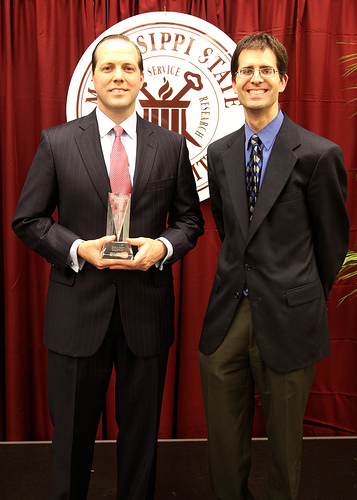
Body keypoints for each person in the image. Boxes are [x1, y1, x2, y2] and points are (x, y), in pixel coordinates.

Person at [12, 34, 204, 500]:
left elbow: (189, 221)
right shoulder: (57, 142)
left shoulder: (172, 145)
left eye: (128, 68)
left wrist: (162, 247)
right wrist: (78, 249)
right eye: (108, 68)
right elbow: (28, 219)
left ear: (142, 78)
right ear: (92, 80)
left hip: (146, 314)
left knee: (140, 443)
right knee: (72, 442)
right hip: (77, 312)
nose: (118, 76)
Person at [198, 32, 350, 500]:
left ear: (282, 80)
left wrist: (300, 295)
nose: (256, 78)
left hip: (290, 315)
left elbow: (332, 243)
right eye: (247, 70)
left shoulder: (319, 154)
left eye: (266, 70)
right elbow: (229, 229)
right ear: (235, 82)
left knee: (286, 449)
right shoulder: (220, 153)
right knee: (224, 446)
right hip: (227, 316)